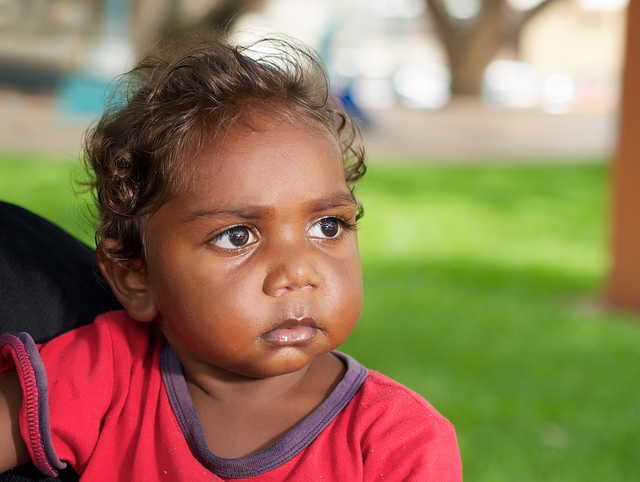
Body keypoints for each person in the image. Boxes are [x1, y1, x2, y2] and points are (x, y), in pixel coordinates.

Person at [0, 34, 462, 481]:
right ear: (135, 278)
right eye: (238, 236)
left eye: (327, 226)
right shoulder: (104, 373)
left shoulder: (396, 440)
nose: (299, 271)